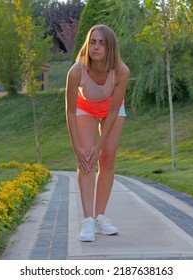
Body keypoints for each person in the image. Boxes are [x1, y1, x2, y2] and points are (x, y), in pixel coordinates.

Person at [65, 24, 130, 242]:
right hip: (86, 108)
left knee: (107, 158)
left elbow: (113, 110)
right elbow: (71, 110)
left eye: (101, 43)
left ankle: (100, 217)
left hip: (112, 109)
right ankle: (87, 221)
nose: (96, 46)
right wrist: (77, 147)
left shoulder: (121, 71)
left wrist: (100, 145)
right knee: (86, 159)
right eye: (92, 42)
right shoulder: (77, 71)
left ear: (110, 46)